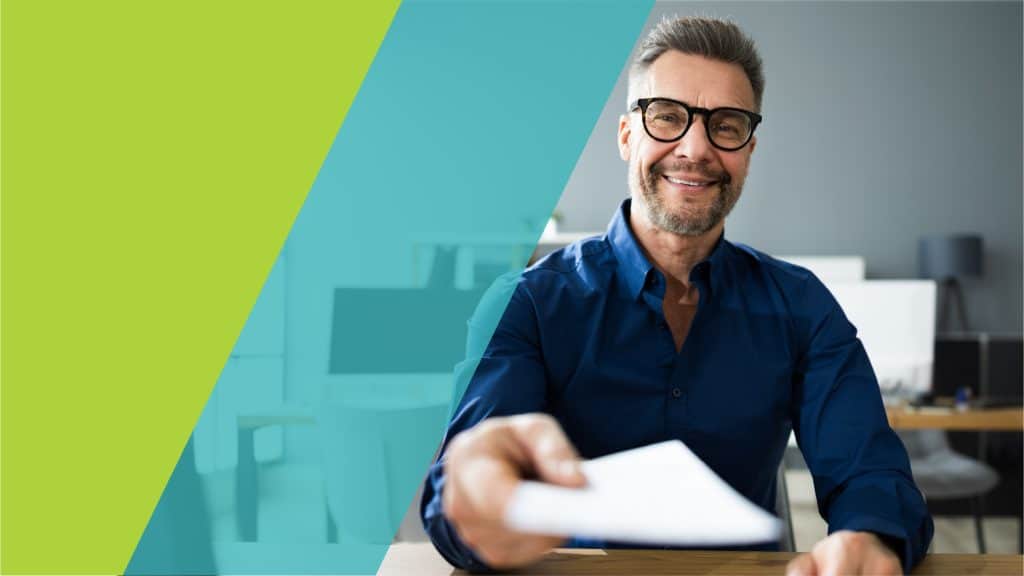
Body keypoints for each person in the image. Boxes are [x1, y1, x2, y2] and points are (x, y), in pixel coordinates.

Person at [421, 16, 933, 576]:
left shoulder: (802, 307)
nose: (695, 148)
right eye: (667, 116)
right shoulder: (526, 304)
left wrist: (870, 539)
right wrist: (475, 503)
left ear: (748, 150)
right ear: (626, 136)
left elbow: (869, 473)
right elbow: (465, 487)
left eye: (726, 125)